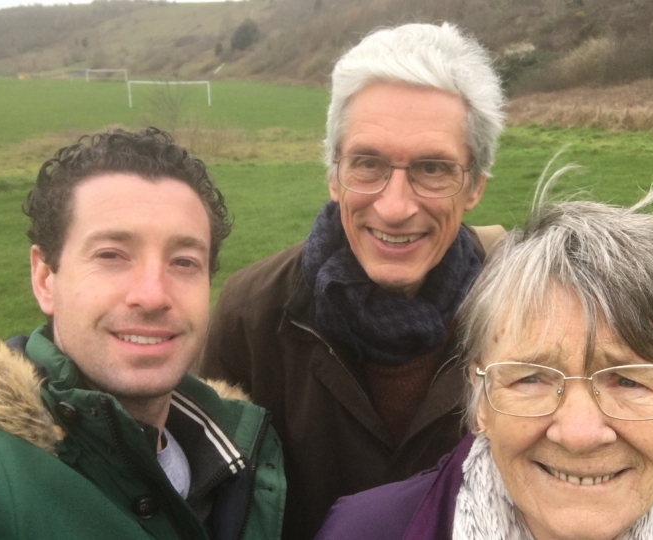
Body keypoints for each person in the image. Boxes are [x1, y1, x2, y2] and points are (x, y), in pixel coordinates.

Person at [198, 22, 506, 539]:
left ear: (473, 184)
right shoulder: (252, 313)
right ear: (333, 173)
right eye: (367, 164)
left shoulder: (526, 306)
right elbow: (214, 505)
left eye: (432, 168)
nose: (395, 206)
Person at [314, 184, 653, 540]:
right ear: (481, 400)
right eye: (531, 378)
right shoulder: (360, 530)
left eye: (627, 381)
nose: (579, 434)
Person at [0, 128, 286, 540]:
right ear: (45, 277)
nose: (153, 295)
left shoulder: (238, 452)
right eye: (111, 255)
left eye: (184, 261)